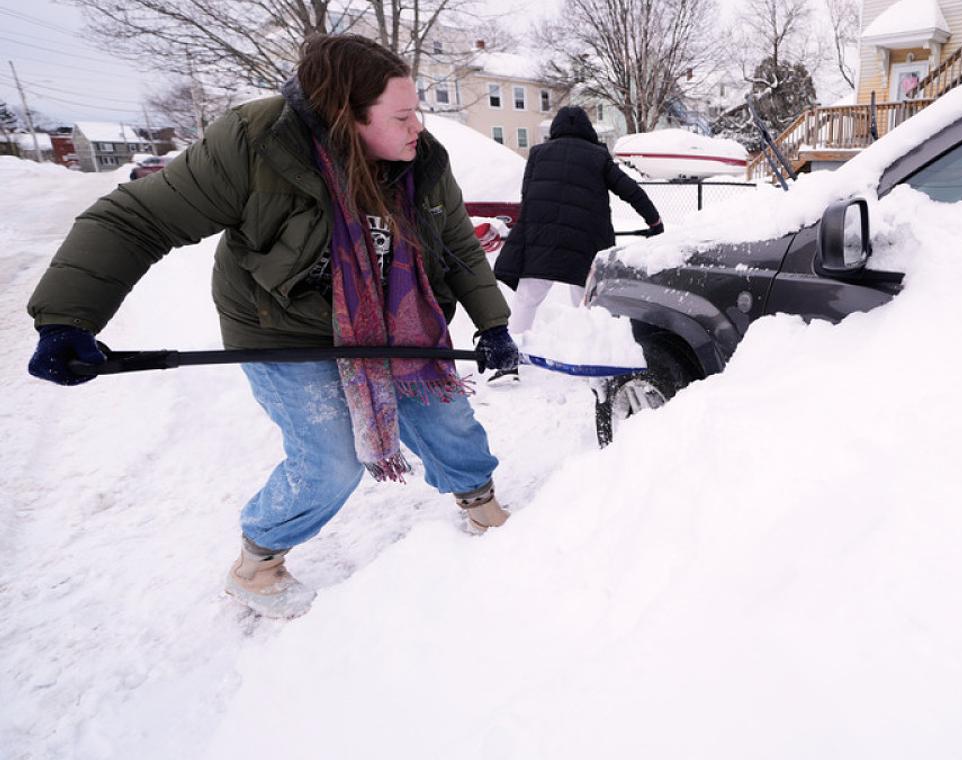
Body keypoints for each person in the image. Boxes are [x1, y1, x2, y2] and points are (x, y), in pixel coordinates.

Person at [25, 34, 521, 619]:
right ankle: (258, 564)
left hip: (393, 320)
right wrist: (66, 318)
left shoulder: (422, 162)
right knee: (330, 458)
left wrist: (493, 324)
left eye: (418, 112)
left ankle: (481, 505)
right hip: (281, 324)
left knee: (445, 415)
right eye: (403, 115)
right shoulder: (255, 142)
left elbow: (457, 243)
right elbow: (138, 219)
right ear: (346, 117)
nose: (418, 127)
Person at [491, 105, 662, 382]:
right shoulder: (598, 157)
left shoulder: (538, 154)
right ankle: (589, 359)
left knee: (527, 298)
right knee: (585, 301)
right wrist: (654, 221)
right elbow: (630, 189)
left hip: (540, 237)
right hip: (585, 241)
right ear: (587, 129)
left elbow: (528, 194)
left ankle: (509, 361)